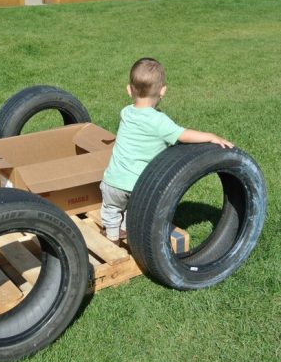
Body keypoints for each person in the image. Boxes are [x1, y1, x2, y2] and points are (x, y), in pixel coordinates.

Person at [100, 57, 233, 245]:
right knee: (133, 209)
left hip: (112, 181)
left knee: (111, 209)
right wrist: (210, 136)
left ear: (129, 89)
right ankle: (126, 231)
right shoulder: (159, 122)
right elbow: (183, 135)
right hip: (139, 186)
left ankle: (112, 236)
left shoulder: (126, 112)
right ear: (163, 91)